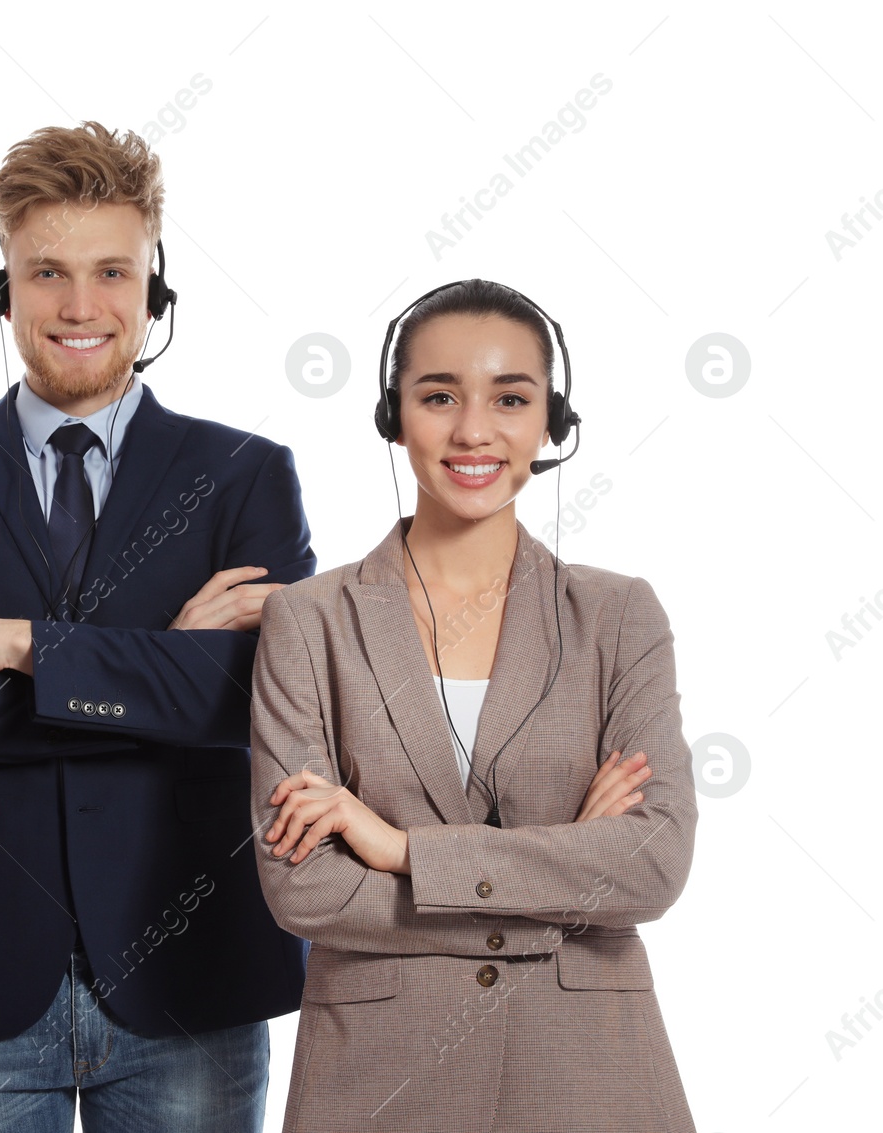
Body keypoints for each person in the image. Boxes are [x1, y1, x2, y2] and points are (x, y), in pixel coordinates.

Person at [0, 122, 314, 1131]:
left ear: (154, 286)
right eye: (47, 273)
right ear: (4, 286)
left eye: (111, 271)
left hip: (191, 977)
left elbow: (260, 707)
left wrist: (15, 644)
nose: (80, 306)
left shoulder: (245, 474)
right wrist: (164, 659)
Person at [250, 279, 698, 1132]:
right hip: (378, 1073)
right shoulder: (308, 621)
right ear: (394, 414)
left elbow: (652, 862)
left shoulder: (618, 615)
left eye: (511, 398)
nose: (473, 430)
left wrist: (399, 848)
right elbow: (304, 892)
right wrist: (569, 865)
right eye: (439, 395)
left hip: (590, 1071)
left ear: (550, 423)